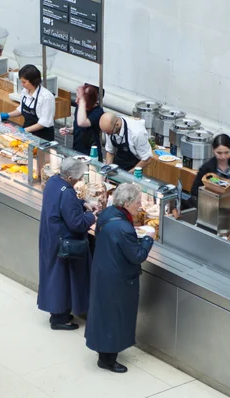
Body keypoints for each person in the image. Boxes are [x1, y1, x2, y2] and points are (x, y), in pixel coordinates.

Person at [86, 183, 155, 373]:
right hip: (118, 279)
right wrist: (149, 238)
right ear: (126, 203)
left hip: (103, 271)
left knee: (104, 314)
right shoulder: (123, 227)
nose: (139, 206)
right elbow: (138, 256)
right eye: (137, 203)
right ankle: (109, 360)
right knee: (116, 317)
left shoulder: (108, 214)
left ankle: (103, 353)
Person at [38, 157, 97, 330]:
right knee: (62, 279)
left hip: (51, 236)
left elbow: (63, 205)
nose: (79, 181)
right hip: (63, 241)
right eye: (78, 177)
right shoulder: (67, 192)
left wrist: (82, 203)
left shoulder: (53, 182)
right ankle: (60, 319)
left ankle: (57, 313)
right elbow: (76, 223)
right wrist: (92, 216)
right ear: (71, 177)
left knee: (53, 275)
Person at [0, 64, 55, 141]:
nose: (22, 84)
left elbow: (44, 123)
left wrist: (24, 130)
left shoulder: (46, 97)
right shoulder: (25, 91)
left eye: (24, 82)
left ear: (33, 81)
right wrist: (7, 115)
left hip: (43, 136)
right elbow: (21, 109)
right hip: (27, 133)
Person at [190, 133, 230, 200]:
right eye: (219, 153)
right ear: (213, 150)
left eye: (226, 152)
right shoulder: (207, 168)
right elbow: (194, 191)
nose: (223, 157)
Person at [60, 84, 104, 160]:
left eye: (79, 99)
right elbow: (78, 127)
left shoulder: (98, 112)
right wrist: (69, 130)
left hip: (91, 154)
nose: (76, 101)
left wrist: (82, 101)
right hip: (77, 150)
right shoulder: (80, 107)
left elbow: (82, 123)